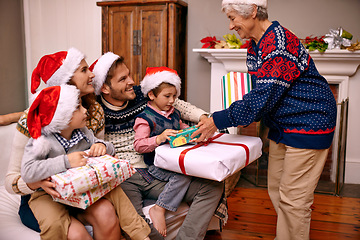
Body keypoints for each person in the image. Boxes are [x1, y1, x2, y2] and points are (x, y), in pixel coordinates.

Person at [192, 1, 337, 240]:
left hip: (310, 121)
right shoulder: (256, 44)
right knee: (277, 191)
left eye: (232, 18)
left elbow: (262, 98)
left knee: (294, 201)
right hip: (283, 123)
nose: (230, 26)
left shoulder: (278, 44)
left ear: (252, 12)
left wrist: (216, 120)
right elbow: (261, 90)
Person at [90, 52, 224, 240]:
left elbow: (178, 105)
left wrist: (204, 118)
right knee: (133, 222)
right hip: (125, 176)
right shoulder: (96, 110)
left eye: (128, 74)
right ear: (105, 87)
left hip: (155, 169)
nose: (131, 81)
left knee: (212, 187)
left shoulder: (142, 94)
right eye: (123, 79)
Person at [5, 48, 124, 239]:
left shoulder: (94, 111)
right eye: (84, 70)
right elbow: (10, 181)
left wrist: (102, 152)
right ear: (66, 80)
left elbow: (101, 154)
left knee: (107, 214)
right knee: (76, 234)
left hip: (81, 192)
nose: (92, 74)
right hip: (43, 199)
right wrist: (36, 183)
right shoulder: (32, 118)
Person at [21, 85, 150, 240]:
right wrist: (66, 161)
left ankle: (140, 235)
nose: (84, 110)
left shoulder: (83, 132)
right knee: (53, 224)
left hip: (80, 190)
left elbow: (108, 148)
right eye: (77, 107)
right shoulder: (41, 140)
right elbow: (28, 171)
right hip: (49, 196)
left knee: (115, 189)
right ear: (62, 115)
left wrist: (101, 146)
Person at [133, 67, 193, 237]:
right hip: (155, 165)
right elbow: (139, 145)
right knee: (183, 175)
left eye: (174, 96)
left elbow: (182, 129)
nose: (172, 100)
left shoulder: (174, 114)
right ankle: (159, 208)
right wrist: (158, 139)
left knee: (191, 170)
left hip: (174, 160)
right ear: (151, 95)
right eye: (167, 96)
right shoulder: (144, 119)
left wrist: (193, 133)